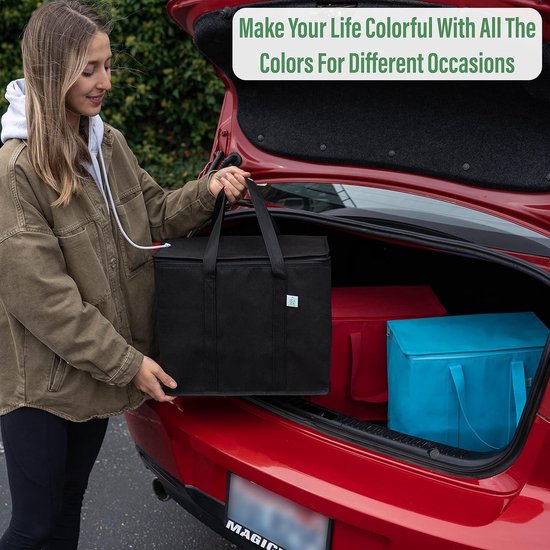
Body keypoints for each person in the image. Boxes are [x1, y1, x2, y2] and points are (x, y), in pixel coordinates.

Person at [0, 1, 250, 548]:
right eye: (89, 69)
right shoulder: (16, 168)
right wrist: (128, 363)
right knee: (34, 525)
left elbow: (152, 214)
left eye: (107, 65)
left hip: (93, 372)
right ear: (52, 70)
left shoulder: (105, 143)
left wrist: (206, 191)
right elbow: (42, 299)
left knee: (68, 506)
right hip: (40, 385)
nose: (105, 82)